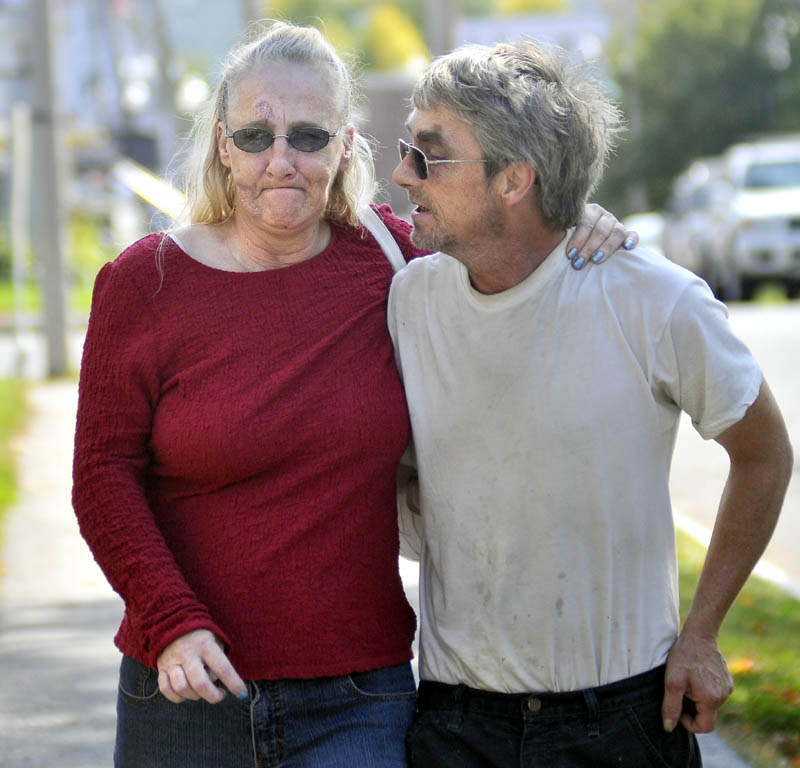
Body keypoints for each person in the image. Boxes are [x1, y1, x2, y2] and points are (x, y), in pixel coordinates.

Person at [71, 21, 637, 768]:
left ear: (343, 147)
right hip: (183, 690)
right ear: (221, 144)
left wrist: (572, 225)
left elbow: (507, 254)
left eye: (308, 136)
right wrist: (171, 620)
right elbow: (102, 477)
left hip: (356, 700)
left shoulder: (396, 263)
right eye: (254, 136)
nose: (281, 161)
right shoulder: (144, 284)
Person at [388, 39, 793, 768]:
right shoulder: (406, 300)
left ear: (515, 180)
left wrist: (700, 636)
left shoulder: (653, 298)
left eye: (429, 155)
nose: (401, 174)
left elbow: (765, 454)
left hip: (624, 725)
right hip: (454, 725)